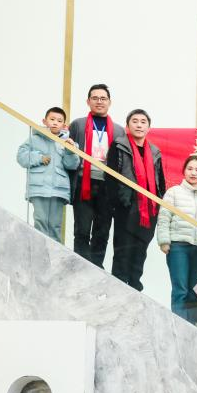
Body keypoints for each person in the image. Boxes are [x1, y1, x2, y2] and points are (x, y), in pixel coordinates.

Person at [106, 108, 166, 291]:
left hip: (149, 209)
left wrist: (159, 205)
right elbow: (111, 178)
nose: (139, 125)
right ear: (128, 126)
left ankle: (135, 287)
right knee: (122, 250)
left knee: (140, 251)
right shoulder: (119, 145)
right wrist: (116, 204)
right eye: (135, 121)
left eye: (143, 122)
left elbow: (161, 182)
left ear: (149, 127)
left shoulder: (155, 151)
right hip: (126, 206)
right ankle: (118, 289)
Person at [159, 155, 197, 320]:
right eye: (190, 169)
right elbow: (164, 217)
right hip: (178, 247)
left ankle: (192, 327)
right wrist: (164, 241)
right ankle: (179, 327)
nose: (193, 173)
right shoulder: (173, 192)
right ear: (184, 171)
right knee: (181, 290)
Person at [67, 84, 121, 266]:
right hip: (84, 182)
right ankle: (81, 268)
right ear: (88, 101)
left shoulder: (119, 130)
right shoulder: (78, 124)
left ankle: (96, 269)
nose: (99, 101)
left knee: (102, 232)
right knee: (81, 230)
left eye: (103, 98)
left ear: (109, 102)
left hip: (107, 186)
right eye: (95, 98)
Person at [16, 106, 79, 242]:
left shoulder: (69, 142)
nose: (55, 123)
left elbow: (72, 165)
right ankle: (40, 251)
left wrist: (70, 151)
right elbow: (21, 156)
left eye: (59, 121)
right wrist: (39, 158)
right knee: (40, 221)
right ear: (44, 121)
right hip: (38, 188)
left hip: (59, 190)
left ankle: (55, 253)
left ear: (64, 125)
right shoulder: (34, 138)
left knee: (55, 225)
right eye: (52, 119)